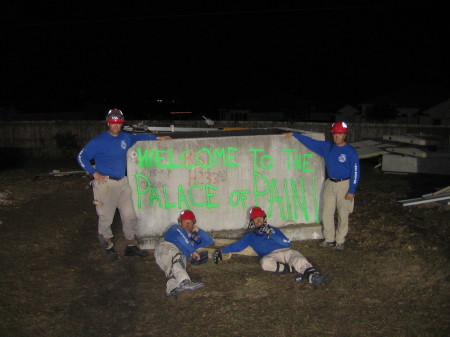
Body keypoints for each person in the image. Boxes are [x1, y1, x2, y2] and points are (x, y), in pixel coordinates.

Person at [77, 108, 171, 261]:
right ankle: (108, 246)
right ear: (108, 123)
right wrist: (93, 173)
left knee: (130, 216)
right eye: (113, 123)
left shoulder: (125, 138)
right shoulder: (98, 141)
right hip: (105, 183)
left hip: (123, 182)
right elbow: (81, 156)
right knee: (106, 218)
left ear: (122, 123)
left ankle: (131, 246)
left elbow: (138, 138)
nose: (116, 126)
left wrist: (157, 138)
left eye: (119, 123)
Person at [283, 121, 360, 251]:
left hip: (344, 184)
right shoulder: (327, 147)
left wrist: (351, 190)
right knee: (326, 212)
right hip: (330, 183)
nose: (337, 137)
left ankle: (340, 240)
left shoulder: (350, 151)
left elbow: (356, 171)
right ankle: (329, 239)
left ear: (345, 135)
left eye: (340, 134)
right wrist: (295, 135)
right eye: (335, 134)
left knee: (343, 213)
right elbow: (312, 143)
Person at [214, 207, 331, 288]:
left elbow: (286, 243)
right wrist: (221, 251)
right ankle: (291, 269)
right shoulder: (250, 236)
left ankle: (314, 277)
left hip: (284, 251)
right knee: (265, 263)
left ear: (265, 218)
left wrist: (271, 233)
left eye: (261, 218)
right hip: (269, 256)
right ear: (252, 221)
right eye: (256, 219)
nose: (259, 221)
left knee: (297, 258)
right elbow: (238, 246)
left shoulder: (274, 229)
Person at [154, 210, 214, 297]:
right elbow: (181, 237)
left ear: (193, 224)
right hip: (167, 248)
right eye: (185, 222)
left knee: (176, 268)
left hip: (174, 257)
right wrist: (193, 251)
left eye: (190, 223)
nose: (187, 225)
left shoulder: (192, 241)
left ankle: (172, 289)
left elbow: (209, 241)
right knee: (177, 259)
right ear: (180, 223)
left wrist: (197, 229)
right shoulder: (175, 228)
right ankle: (185, 282)